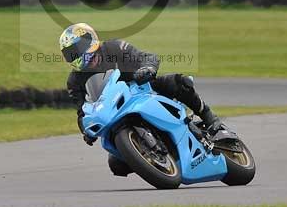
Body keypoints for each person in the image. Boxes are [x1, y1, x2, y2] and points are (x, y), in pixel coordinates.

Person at [61, 22, 221, 175]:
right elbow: (82, 111)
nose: (76, 54)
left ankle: (209, 117)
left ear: (91, 40)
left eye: (77, 48)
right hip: (113, 113)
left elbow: (146, 56)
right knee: (117, 165)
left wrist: (147, 68)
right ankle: (150, 159)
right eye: (70, 53)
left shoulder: (114, 47)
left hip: (141, 89)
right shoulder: (74, 81)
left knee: (178, 82)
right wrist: (86, 129)